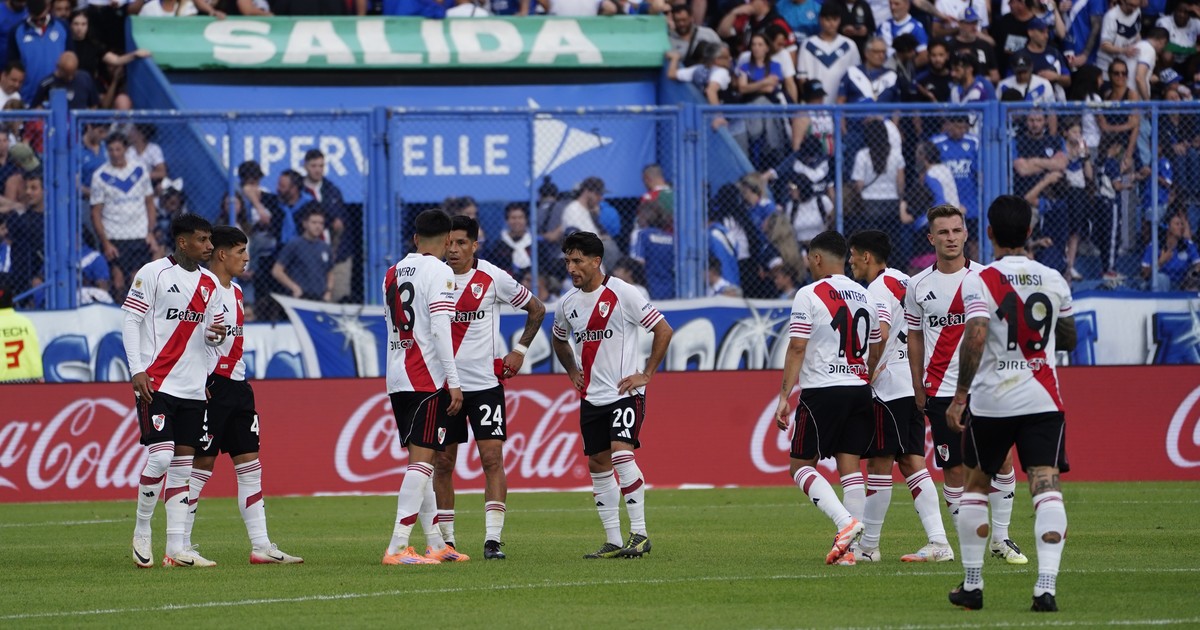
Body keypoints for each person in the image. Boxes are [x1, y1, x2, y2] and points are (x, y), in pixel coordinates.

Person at [945, 194, 1075, 613]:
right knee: (1046, 488)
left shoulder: (980, 279)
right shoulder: (1053, 278)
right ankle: (1045, 587)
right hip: (1043, 399)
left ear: (988, 233)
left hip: (993, 401)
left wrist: (960, 396)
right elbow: (1069, 337)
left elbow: (976, 336)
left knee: (975, 488)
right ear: (1030, 231)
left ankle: (973, 585)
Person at [904, 204, 1028, 564]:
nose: (951, 238)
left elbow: (1006, 330)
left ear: (966, 234)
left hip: (986, 386)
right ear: (931, 238)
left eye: (956, 231)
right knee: (954, 468)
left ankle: (1000, 539)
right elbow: (915, 336)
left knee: (1002, 461)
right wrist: (917, 384)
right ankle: (970, 543)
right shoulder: (918, 285)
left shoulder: (987, 278)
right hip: (940, 390)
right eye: (943, 232)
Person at [185, 225, 302, 565]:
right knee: (201, 465)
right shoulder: (202, 287)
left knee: (250, 465)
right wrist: (199, 373)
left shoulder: (235, 291)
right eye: (240, 252)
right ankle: (180, 544)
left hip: (238, 386)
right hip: (211, 386)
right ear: (222, 254)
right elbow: (184, 333)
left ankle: (261, 546)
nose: (247, 258)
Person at [551, 231, 672, 559]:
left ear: (596, 261)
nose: (571, 268)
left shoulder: (623, 293)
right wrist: (572, 371)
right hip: (591, 397)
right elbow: (559, 338)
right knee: (598, 463)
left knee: (621, 454)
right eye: (567, 261)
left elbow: (663, 329)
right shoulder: (567, 303)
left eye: (577, 261)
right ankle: (613, 540)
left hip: (624, 394)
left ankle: (640, 534)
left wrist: (646, 374)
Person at [433, 215, 546, 561]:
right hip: (444, 385)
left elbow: (537, 309)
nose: (454, 250)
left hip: (484, 385)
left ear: (474, 245)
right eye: (449, 243)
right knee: (443, 462)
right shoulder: (432, 278)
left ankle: (493, 540)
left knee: (492, 459)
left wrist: (520, 350)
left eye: (461, 243)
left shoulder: (493, 277)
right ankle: (447, 542)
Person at [124, 214, 226, 569]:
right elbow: (131, 321)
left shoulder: (210, 283)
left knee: (183, 467)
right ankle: (141, 531)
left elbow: (213, 337)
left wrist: (214, 342)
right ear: (183, 242)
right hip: (157, 383)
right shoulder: (153, 273)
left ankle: (175, 549)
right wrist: (136, 369)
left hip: (193, 388)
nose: (209, 246)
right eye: (202, 240)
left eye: (210, 240)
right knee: (161, 458)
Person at [772, 229, 878, 565]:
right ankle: (852, 551)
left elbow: (797, 346)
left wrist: (784, 395)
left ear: (816, 259)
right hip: (860, 389)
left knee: (800, 466)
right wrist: (863, 375)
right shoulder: (865, 295)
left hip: (823, 390)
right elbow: (877, 343)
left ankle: (845, 523)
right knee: (851, 467)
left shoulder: (809, 294)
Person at [847, 230, 952, 563]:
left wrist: (867, 374)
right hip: (914, 382)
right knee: (912, 462)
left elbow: (880, 333)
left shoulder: (877, 289)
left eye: (853, 254)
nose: (850, 261)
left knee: (880, 463)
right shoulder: (906, 280)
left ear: (866, 256)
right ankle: (939, 542)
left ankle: (868, 547)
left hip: (890, 387)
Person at [381, 209, 466, 566]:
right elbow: (441, 330)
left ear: (416, 239)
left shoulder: (391, 273)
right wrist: (454, 382)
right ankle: (397, 547)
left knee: (424, 460)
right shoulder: (440, 271)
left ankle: (435, 543)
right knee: (421, 462)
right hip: (426, 378)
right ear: (447, 240)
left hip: (397, 376)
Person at [90, 131, 157, 299]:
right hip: (114, 235)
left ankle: (139, 312)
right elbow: (96, 212)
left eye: (118, 149)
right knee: (118, 282)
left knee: (137, 280)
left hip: (138, 234)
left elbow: (149, 202)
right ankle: (119, 312)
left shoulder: (139, 170)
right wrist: (105, 242)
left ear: (126, 150)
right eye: (111, 150)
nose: (114, 154)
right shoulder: (100, 176)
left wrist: (150, 232)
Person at [796, 2, 860, 105]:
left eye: (835, 19)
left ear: (839, 20)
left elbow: (856, 77)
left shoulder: (849, 45)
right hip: (815, 106)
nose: (831, 24)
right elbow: (802, 78)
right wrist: (811, 100)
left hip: (841, 106)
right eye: (828, 19)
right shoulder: (808, 44)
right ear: (820, 20)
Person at [271, 206, 333, 302]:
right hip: (300, 298)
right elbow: (277, 271)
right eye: (314, 222)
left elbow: (330, 272)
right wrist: (294, 287)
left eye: (321, 223)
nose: (318, 226)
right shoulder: (294, 245)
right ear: (305, 224)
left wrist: (328, 291)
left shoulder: (326, 248)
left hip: (320, 299)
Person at [0, 272, 41, 382]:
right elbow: (33, 354)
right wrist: (39, 378)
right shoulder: (26, 322)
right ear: (11, 300)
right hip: (24, 381)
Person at [1142, 212, 1200, 290]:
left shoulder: (1188, 244)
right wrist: (1160, 262)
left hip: (1181, 284)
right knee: (1161, 278)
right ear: (1168, 227)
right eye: (1177, 224)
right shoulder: (1154, 246)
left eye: (1182, 224)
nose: (1181, 227)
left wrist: (1192, 274)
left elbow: (1198, 265)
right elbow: (1144, 274)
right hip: (1162, 284)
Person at [1096, 0, 1141, 75]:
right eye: (1131, 5)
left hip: (1126, 64)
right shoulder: (1111, 16)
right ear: (1122, 1)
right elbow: (1105, 45)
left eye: (1136, 6)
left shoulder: (1137, 11)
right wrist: (1124, 50)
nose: (1133, 9)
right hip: (1107, 65)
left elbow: (1137, 33)